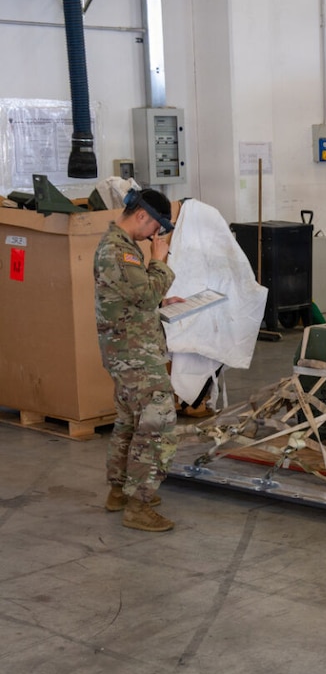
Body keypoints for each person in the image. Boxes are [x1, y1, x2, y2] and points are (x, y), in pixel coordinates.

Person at [94, 188, 181, 532]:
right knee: (158, 424)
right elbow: (144, 294)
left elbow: (134, 298)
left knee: (130, 422)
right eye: (156, 228)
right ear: (142, 216)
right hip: (135, 356)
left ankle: (119, 491)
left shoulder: (120, 247)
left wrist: (163, 301)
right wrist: (160, 259)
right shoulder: (119, 252)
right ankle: (139, 505)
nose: (155, 236)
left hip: (126, 350)